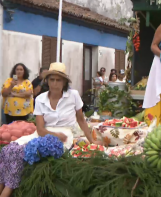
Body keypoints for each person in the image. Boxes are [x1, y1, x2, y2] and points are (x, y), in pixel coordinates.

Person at [0, 62, 103, 197]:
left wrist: (92, 141)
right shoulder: (41, 98)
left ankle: (7, 191)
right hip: (44, 133)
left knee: (17, 153)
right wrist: (54, 134)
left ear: (64, 82)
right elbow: (41, 129)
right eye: (52, 79)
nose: (54, 83)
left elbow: (81, 120)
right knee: (8, 149)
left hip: (65, 134)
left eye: (58, 80)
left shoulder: (73, 95)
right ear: (47, 81)